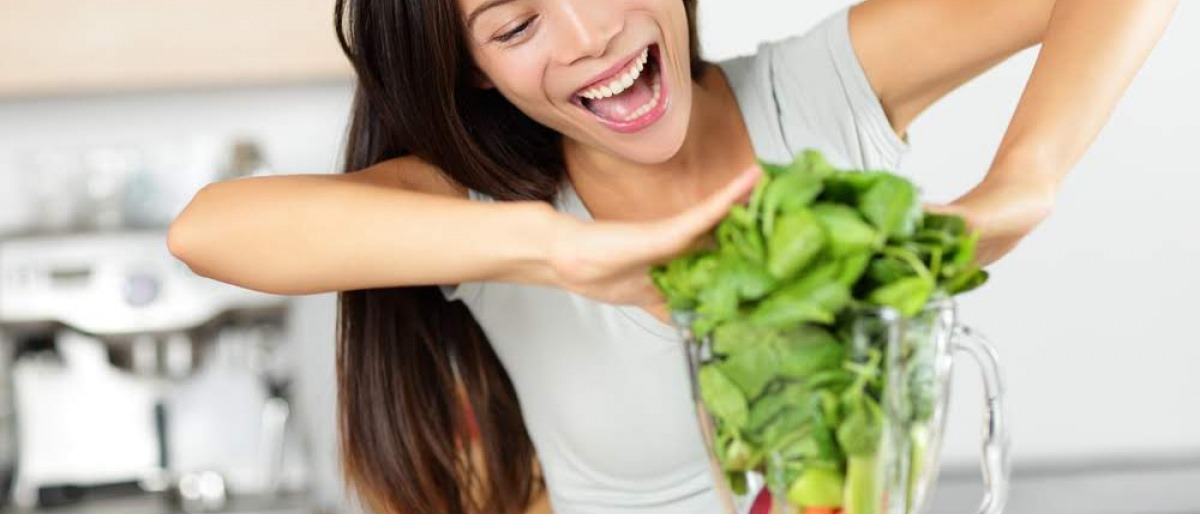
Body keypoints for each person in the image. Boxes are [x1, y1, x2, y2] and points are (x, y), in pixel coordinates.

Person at [167, 1, 1177, 513]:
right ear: (468, 73)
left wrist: (1023, 180)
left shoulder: (824, 88)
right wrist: (555, 250)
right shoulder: (488, 212)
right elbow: (211, 230)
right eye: (515, 23)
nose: (593, 32)